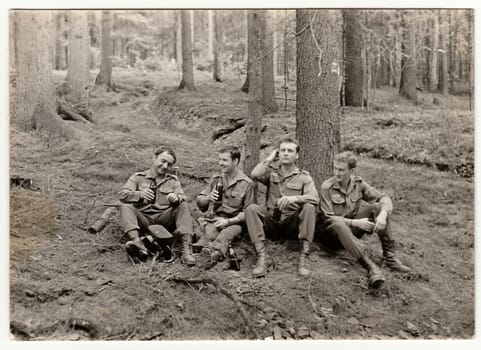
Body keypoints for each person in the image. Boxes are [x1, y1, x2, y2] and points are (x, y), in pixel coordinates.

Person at [317, 151, 411, 289]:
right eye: (335, 168)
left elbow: (384, 198)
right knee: (338, 223)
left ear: (351, 170)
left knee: (378, 207)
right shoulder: (327, 187)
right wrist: (355, 223)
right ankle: (371, 267)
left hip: (351, 231)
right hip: (331, 236)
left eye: (341, 170)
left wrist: (383, 214)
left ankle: (390, 257)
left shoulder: (358, 184)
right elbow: (328, 217)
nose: (337, 172)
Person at [245, 136, 319, 278]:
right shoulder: (272, 172)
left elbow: (315, 198)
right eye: (282, 150)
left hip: (291, 225)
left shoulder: (304, 177)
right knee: (251, 209)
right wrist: (270, 158)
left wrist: (294, 199)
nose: (285, 153)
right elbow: (254, 174)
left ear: (297, 155)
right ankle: (262, 257)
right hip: (272, 222)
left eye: (290, 151)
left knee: (309, 207)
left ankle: (304, 257)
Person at [119, 146, 195, 266]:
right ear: (154, 158)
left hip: (164, 220)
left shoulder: (172, 180)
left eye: (169, 164)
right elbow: (123, 194)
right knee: (125, 207)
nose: (165, 166)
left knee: (183, 205)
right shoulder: (138, 177)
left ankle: (186, 249)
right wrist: (140, 194)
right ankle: (138, 244)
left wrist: (177, 198)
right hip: (143, 218)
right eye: (163, 161)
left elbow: (183, 196)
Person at [195, 146, 256, 269]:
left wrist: (228, 221)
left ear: (235, 161)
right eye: (220, 159)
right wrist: (208, 198)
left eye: (224, 160)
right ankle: (206, 250)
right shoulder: (216, 179)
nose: (221, 163)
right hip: (215, 219)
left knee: (227, 234)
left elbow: (249, 213)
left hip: (234, 222)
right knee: (205, 233)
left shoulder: (247, 184)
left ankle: (213, 255)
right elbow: (200, 202)